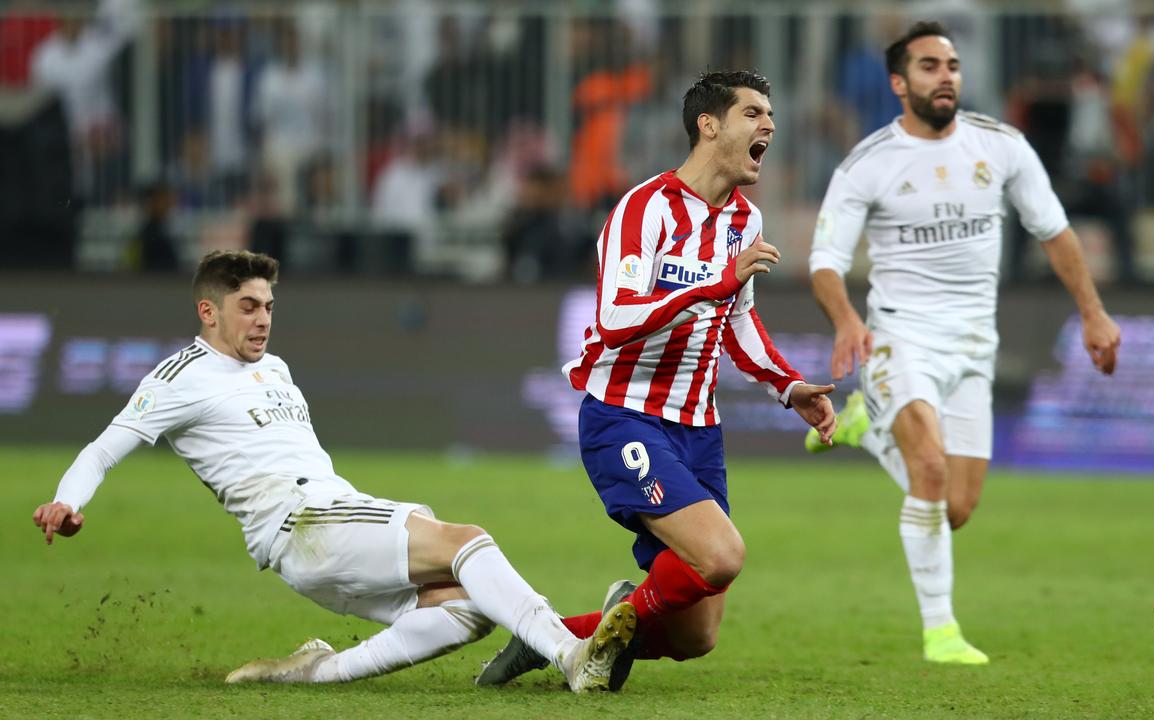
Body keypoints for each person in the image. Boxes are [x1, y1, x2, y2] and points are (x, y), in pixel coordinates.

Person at [31, 249, 635, 692]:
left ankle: (316, 672)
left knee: (470, 606)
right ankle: (570, 654)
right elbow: (104, 447)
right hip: (301, 522)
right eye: (247, 306)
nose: (263, 319)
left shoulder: (277, 367)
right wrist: (66, 500)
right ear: (208, 312)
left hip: (327, 523)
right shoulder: (179, 377)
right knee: (468, 541)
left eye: (268, 305)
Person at [476, 70, 837, 690]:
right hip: (625, 415)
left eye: (769, 115)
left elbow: (738, 317)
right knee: (722, 557)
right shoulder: (645, 208)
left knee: (695, 636)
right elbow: (615, 320)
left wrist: (788, 386)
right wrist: (713, 284)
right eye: (753, 113)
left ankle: (552, 635)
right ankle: (589, 641)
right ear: (709, 124)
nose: (769, 125)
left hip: (699, 429)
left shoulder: (743, 221)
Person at [804, 21, 1121, 664]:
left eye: (950, 65)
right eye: (928, 66)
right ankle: (941, 631)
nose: (944, 75)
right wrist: (845, 320)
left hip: (975, 343)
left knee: (954, 507)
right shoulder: (869, 162)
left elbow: (1055, 232)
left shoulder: (1001, 146)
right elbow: (824, 262)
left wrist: (1093, 314)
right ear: (899, 83)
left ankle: (866, 427)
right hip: (900, 336)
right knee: (929, 469)